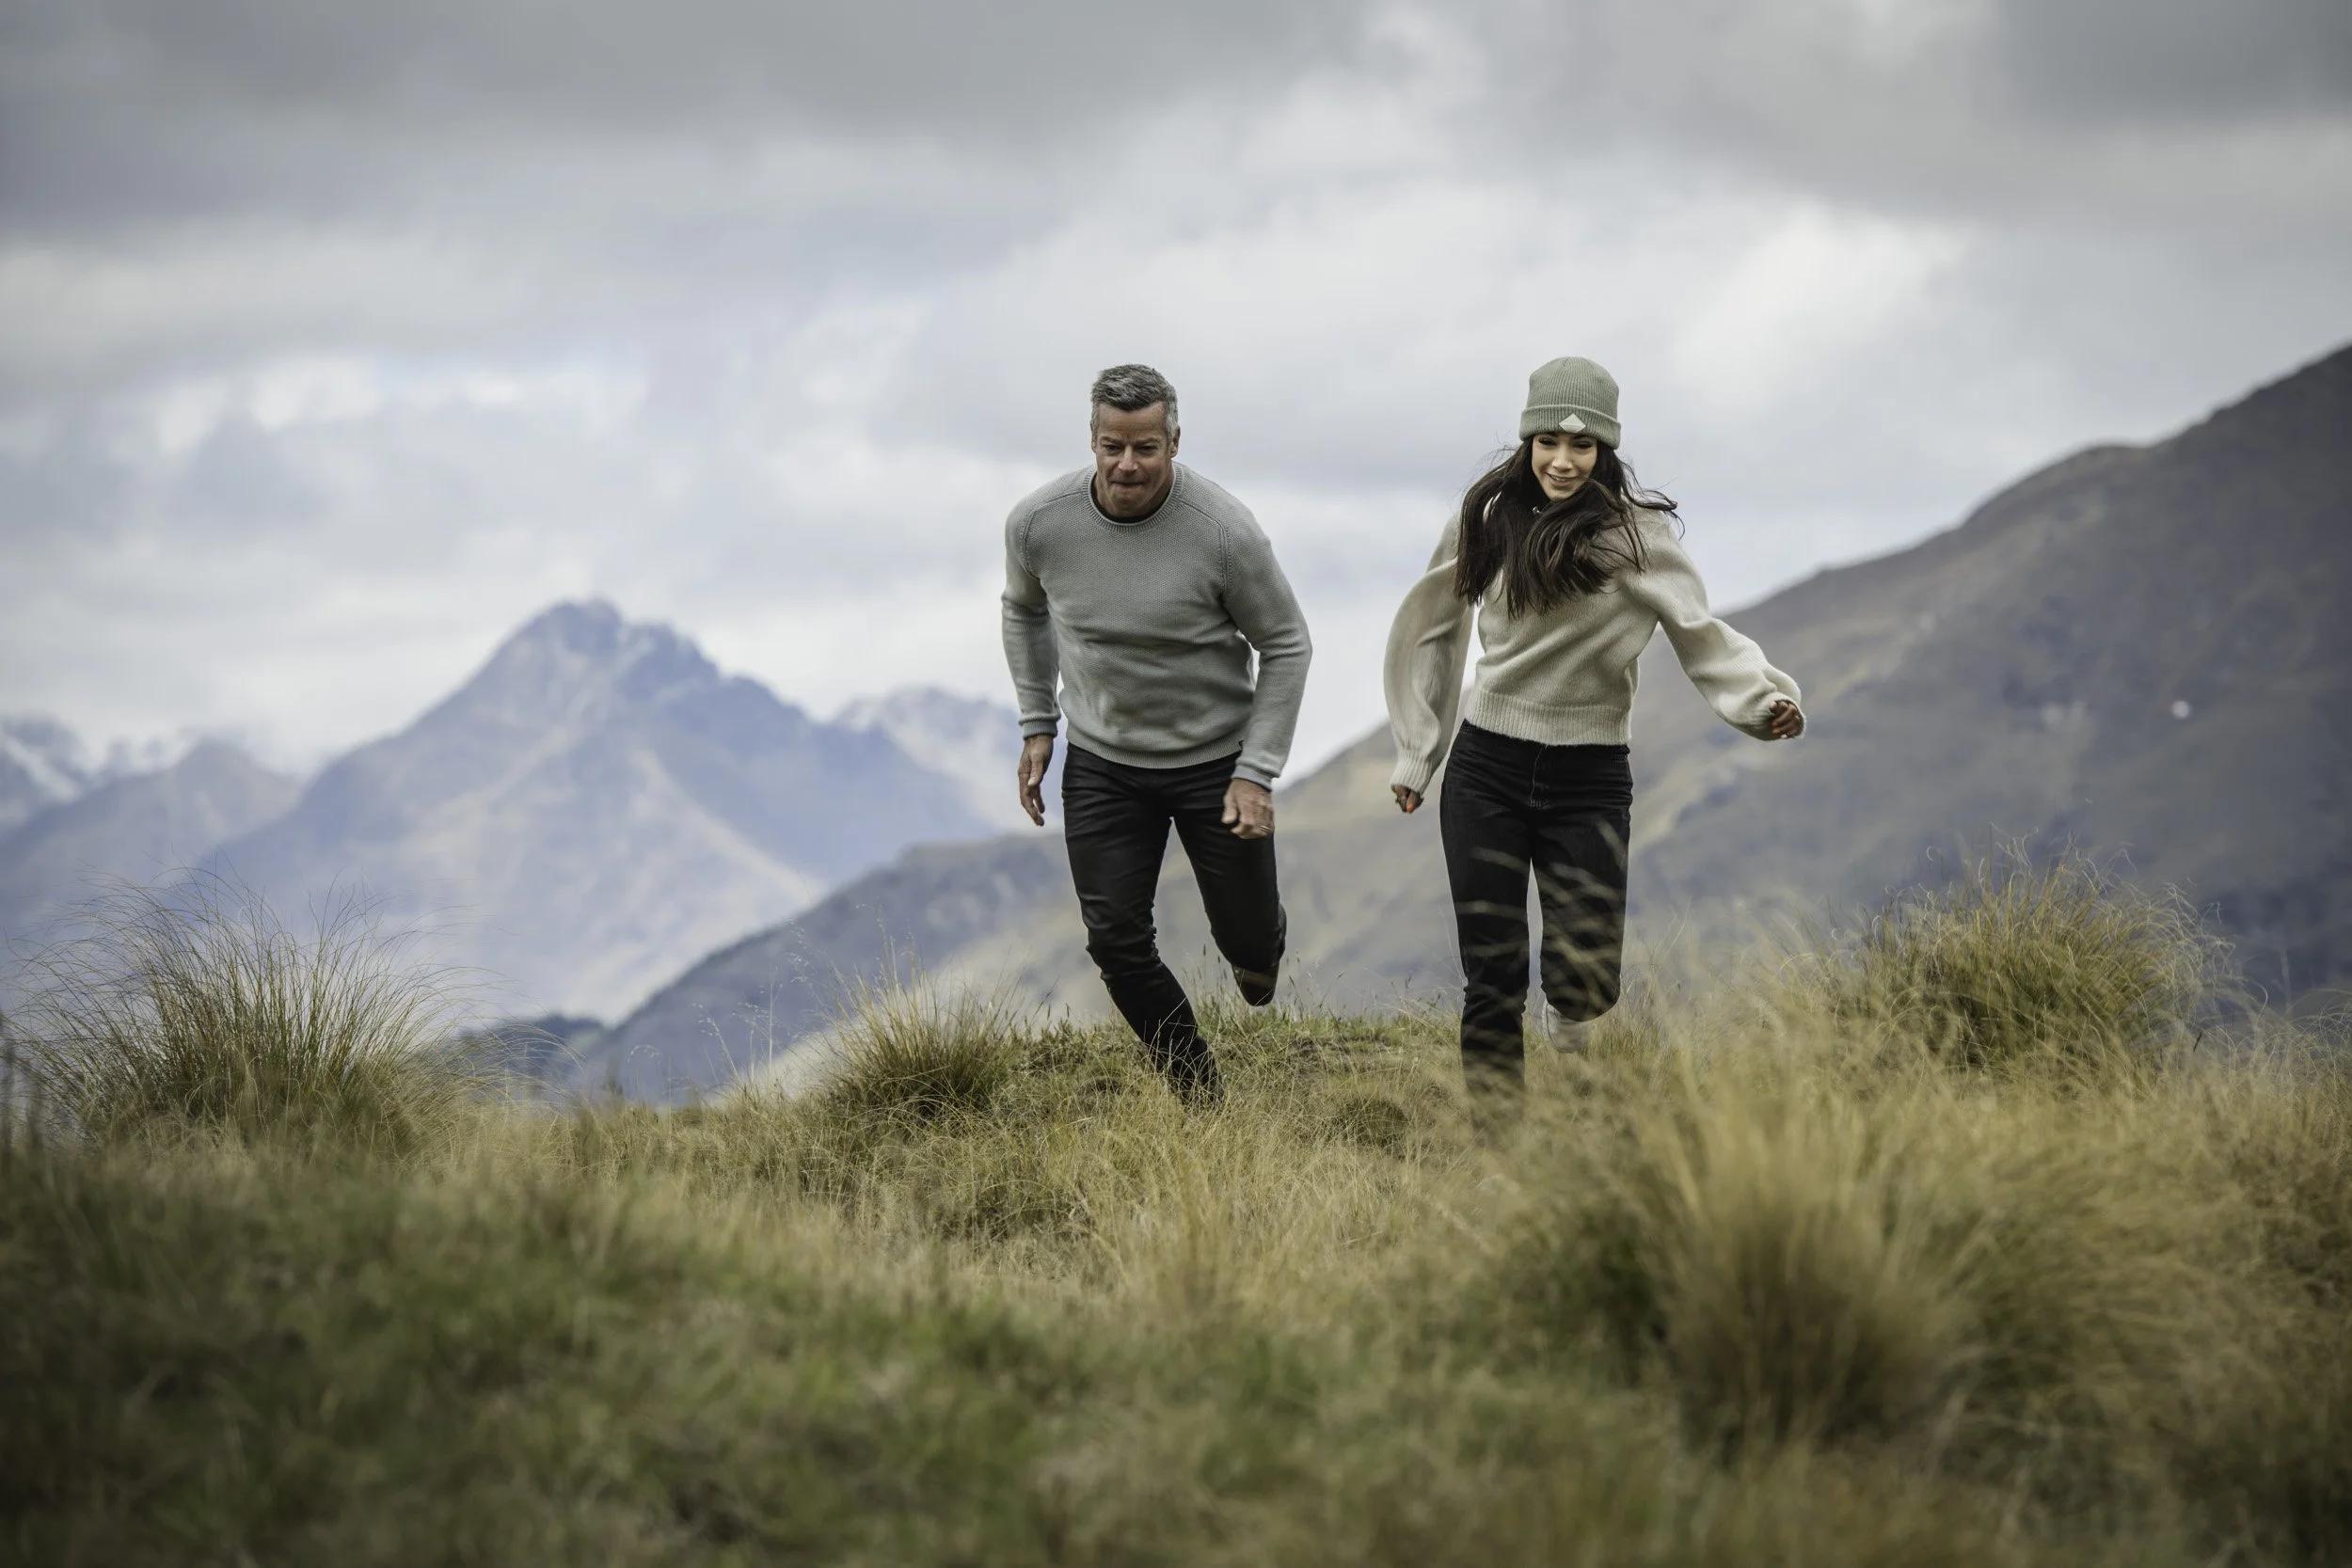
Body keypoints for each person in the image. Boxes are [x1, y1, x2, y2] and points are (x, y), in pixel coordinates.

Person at [1383, 356, 1802, 1110]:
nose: (1563, 461)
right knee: (1493, 971)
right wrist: (1419, 753)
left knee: (1586, 978)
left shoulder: (1639, 540)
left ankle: (1570, 1020)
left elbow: (1700, 634)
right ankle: (1499, 1145)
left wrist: (1762, 702)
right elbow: (1432, 631)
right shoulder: (1483, 520)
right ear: (1528, 441)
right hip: (1487, 770)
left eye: (1582, 446)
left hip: (1589, 777)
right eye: (1549, 441)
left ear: (1605, 451)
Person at [1003, 363, 1313, 1102]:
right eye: (1112, 446)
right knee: (1114, 939)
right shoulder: (1039, 523)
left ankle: (1258, 943)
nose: (1127, 465)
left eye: (1145, 447)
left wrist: (1257, 770)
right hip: (1104, 761)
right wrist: (1038, 722)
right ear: (1092, 439)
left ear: (1175, 441)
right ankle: (1198, 1089)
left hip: (1215, 763)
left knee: (1247, 950)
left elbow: (1288, 643)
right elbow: (1022, 610)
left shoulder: (1224, 533)